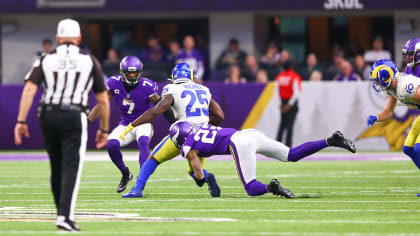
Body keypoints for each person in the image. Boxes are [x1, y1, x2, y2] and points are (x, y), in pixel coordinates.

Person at [14, 18, 110, 231]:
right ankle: (65, 216)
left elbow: (30, 89)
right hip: (74, 115)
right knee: (71, 166)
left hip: (48, 115)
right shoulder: (89, 60)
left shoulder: (45, 58)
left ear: (58, 38)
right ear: (78, 38)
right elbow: (103, 98)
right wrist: (104, 129)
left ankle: (61, 213)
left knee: (56, 165)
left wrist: (20, 120)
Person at [119, 63, 225, 198]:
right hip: (202, 136)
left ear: (174, 76)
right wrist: (205, 126)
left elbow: (157, 111)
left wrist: (133, 125)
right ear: (191, 76)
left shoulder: (173, 88)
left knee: (153, 159)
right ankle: (207, 176)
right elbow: (220, 115)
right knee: (198, 177)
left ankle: (137, 189)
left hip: (183, 134)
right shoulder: (203, 89)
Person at [169, 121, 356, 198]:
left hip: (239, 143)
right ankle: (331, 140)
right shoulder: (201, 126)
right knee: (291, 154)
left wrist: (201, 178)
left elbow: (195, 163)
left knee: (251, 187)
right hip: (250, 133)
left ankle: (271, 188)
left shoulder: (187, 144)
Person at [88, 56, 175, 193]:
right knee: (111, 144)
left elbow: (161, 106)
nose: (132, 75)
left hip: (143, 123)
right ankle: (125, 173)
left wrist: (174, 123)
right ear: (123, 72)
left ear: (140, 72)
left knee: (143, 141)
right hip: (126, 124)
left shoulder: (147, 86)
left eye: (135, 73)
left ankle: (141, 181)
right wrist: (87, 120)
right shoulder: (114, 83)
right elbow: (101, 106)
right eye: (129, 72)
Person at [366, 59, 420, 197]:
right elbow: (388, 112)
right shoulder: (393, 88)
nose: (376, 83)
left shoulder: (405, 85)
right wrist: (376, 118)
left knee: (419, 148)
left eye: (377, 80)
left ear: (386, 75)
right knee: (408, 148)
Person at [275, 60, 301, 147]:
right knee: (290, 125)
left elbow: (277, 91)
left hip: (283, 101)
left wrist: (281, 104)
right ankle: (288, 145)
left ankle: (277, 143)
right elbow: (296, 93)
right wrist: (289, 105)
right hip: (291, 103)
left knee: (282, 124)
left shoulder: (279, 77)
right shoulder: (294, 77)